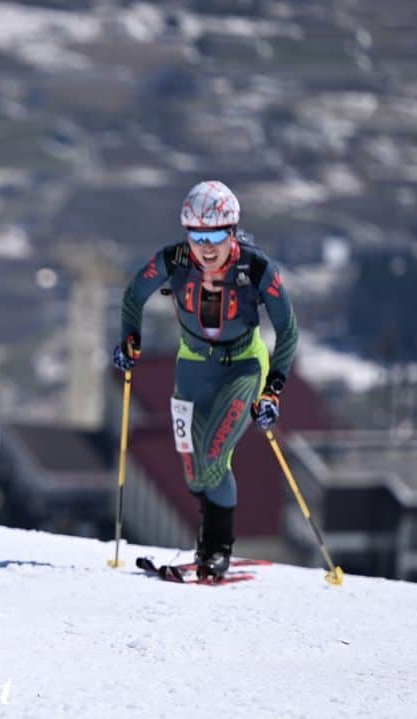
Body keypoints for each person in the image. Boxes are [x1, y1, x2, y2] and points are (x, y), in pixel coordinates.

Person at [112, 180, 297, 580]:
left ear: (232, 231)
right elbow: (133, 296)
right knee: (193, 468)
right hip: (193, 368)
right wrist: (130, 340)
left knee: (213, 457)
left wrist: (273, 391)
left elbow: (289, 330)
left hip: (243, 368)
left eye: (216, 235)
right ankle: (206, 540)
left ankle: (217, 550)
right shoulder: (175, 259)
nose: (206, 246)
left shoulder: (257, 267)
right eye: (197, 236)